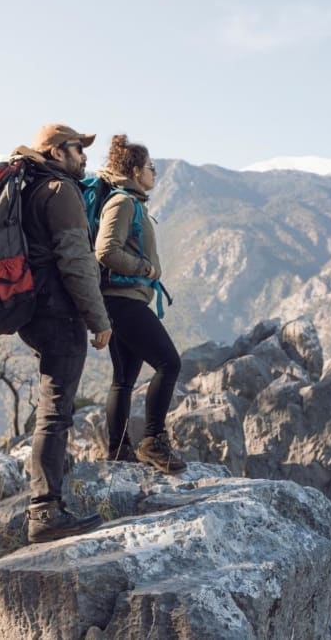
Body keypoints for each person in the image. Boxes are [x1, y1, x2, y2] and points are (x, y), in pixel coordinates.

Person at [12, 124, 113, 543]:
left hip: (33, 311)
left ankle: (48, 503)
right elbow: (76, 260)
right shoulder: (59, 191)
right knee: (55, 414)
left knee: (51, 410)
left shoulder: (28, 187)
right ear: (55, 151)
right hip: (59, 312)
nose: (85, 156)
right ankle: (45, 511)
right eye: (78, 149)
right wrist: (99, 319)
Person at [95, 134, 185, 473]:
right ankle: (153, 441)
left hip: (121, 301)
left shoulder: (131, 201)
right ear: (135, 171)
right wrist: (142, 268)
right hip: (123, 301)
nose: (155, 174)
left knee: (124, 379)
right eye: (151, 168)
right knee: (169, 364)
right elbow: (105, 251)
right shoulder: (123, 203)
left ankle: (118, 451)